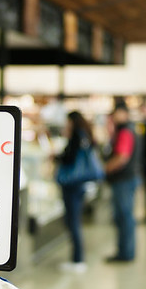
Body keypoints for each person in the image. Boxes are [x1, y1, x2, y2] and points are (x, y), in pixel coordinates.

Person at [56, 111, 95, 272]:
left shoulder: (76, 137)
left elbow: (69, 158)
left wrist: (58, 156)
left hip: (72, 184)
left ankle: (77, 259)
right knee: (75, 221)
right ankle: (77, 258)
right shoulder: (85, 136)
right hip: (80, 184)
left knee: (73, 222)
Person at [104, 102, 139, 262]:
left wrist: (105, 169)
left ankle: (125, 253)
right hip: (127, 179)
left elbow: (122, 158)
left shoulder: (125, 131)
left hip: (124, 180)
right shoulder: (126, 130)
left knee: (124, 217)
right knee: (124, 217)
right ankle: (125, 251)